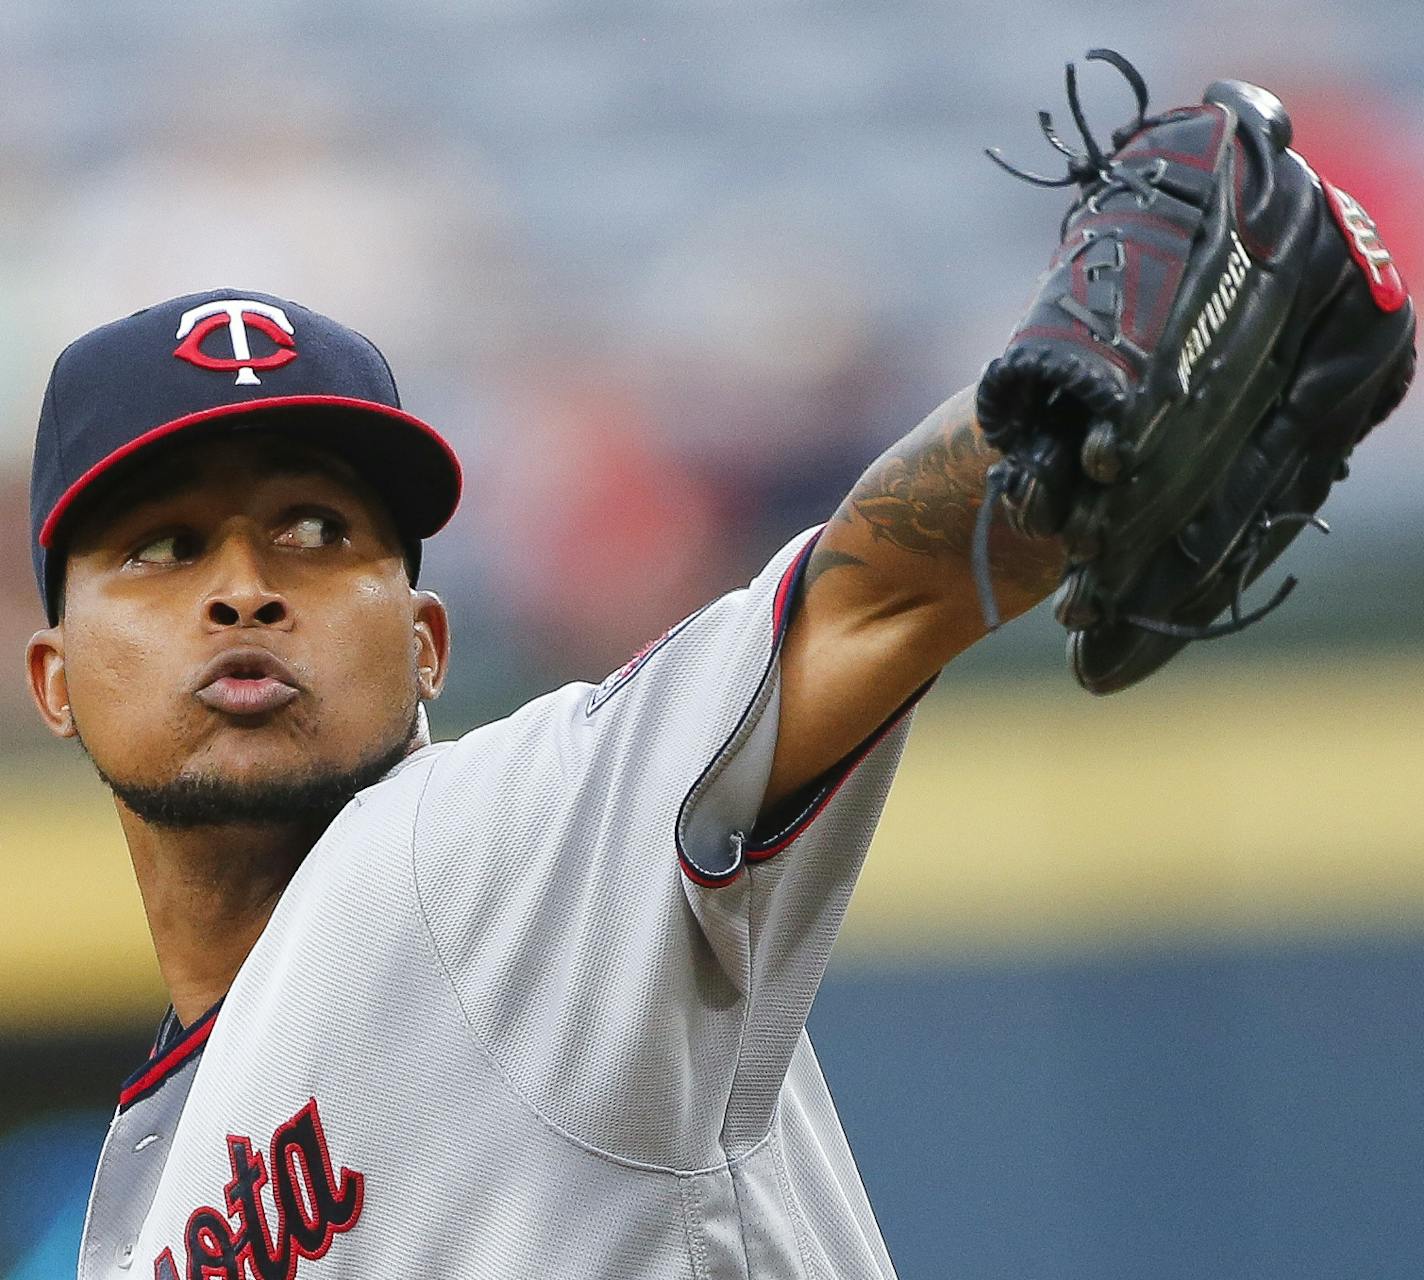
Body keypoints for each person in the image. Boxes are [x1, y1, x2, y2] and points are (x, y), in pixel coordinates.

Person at [25, 287, 1060, 1278]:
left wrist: (1061, 415)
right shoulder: (154, 1180)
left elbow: (871, 597)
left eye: (314, 532)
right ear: (53, 677)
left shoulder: (482, 846)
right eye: (165, 546)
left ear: (426, 643)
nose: (245, 591)